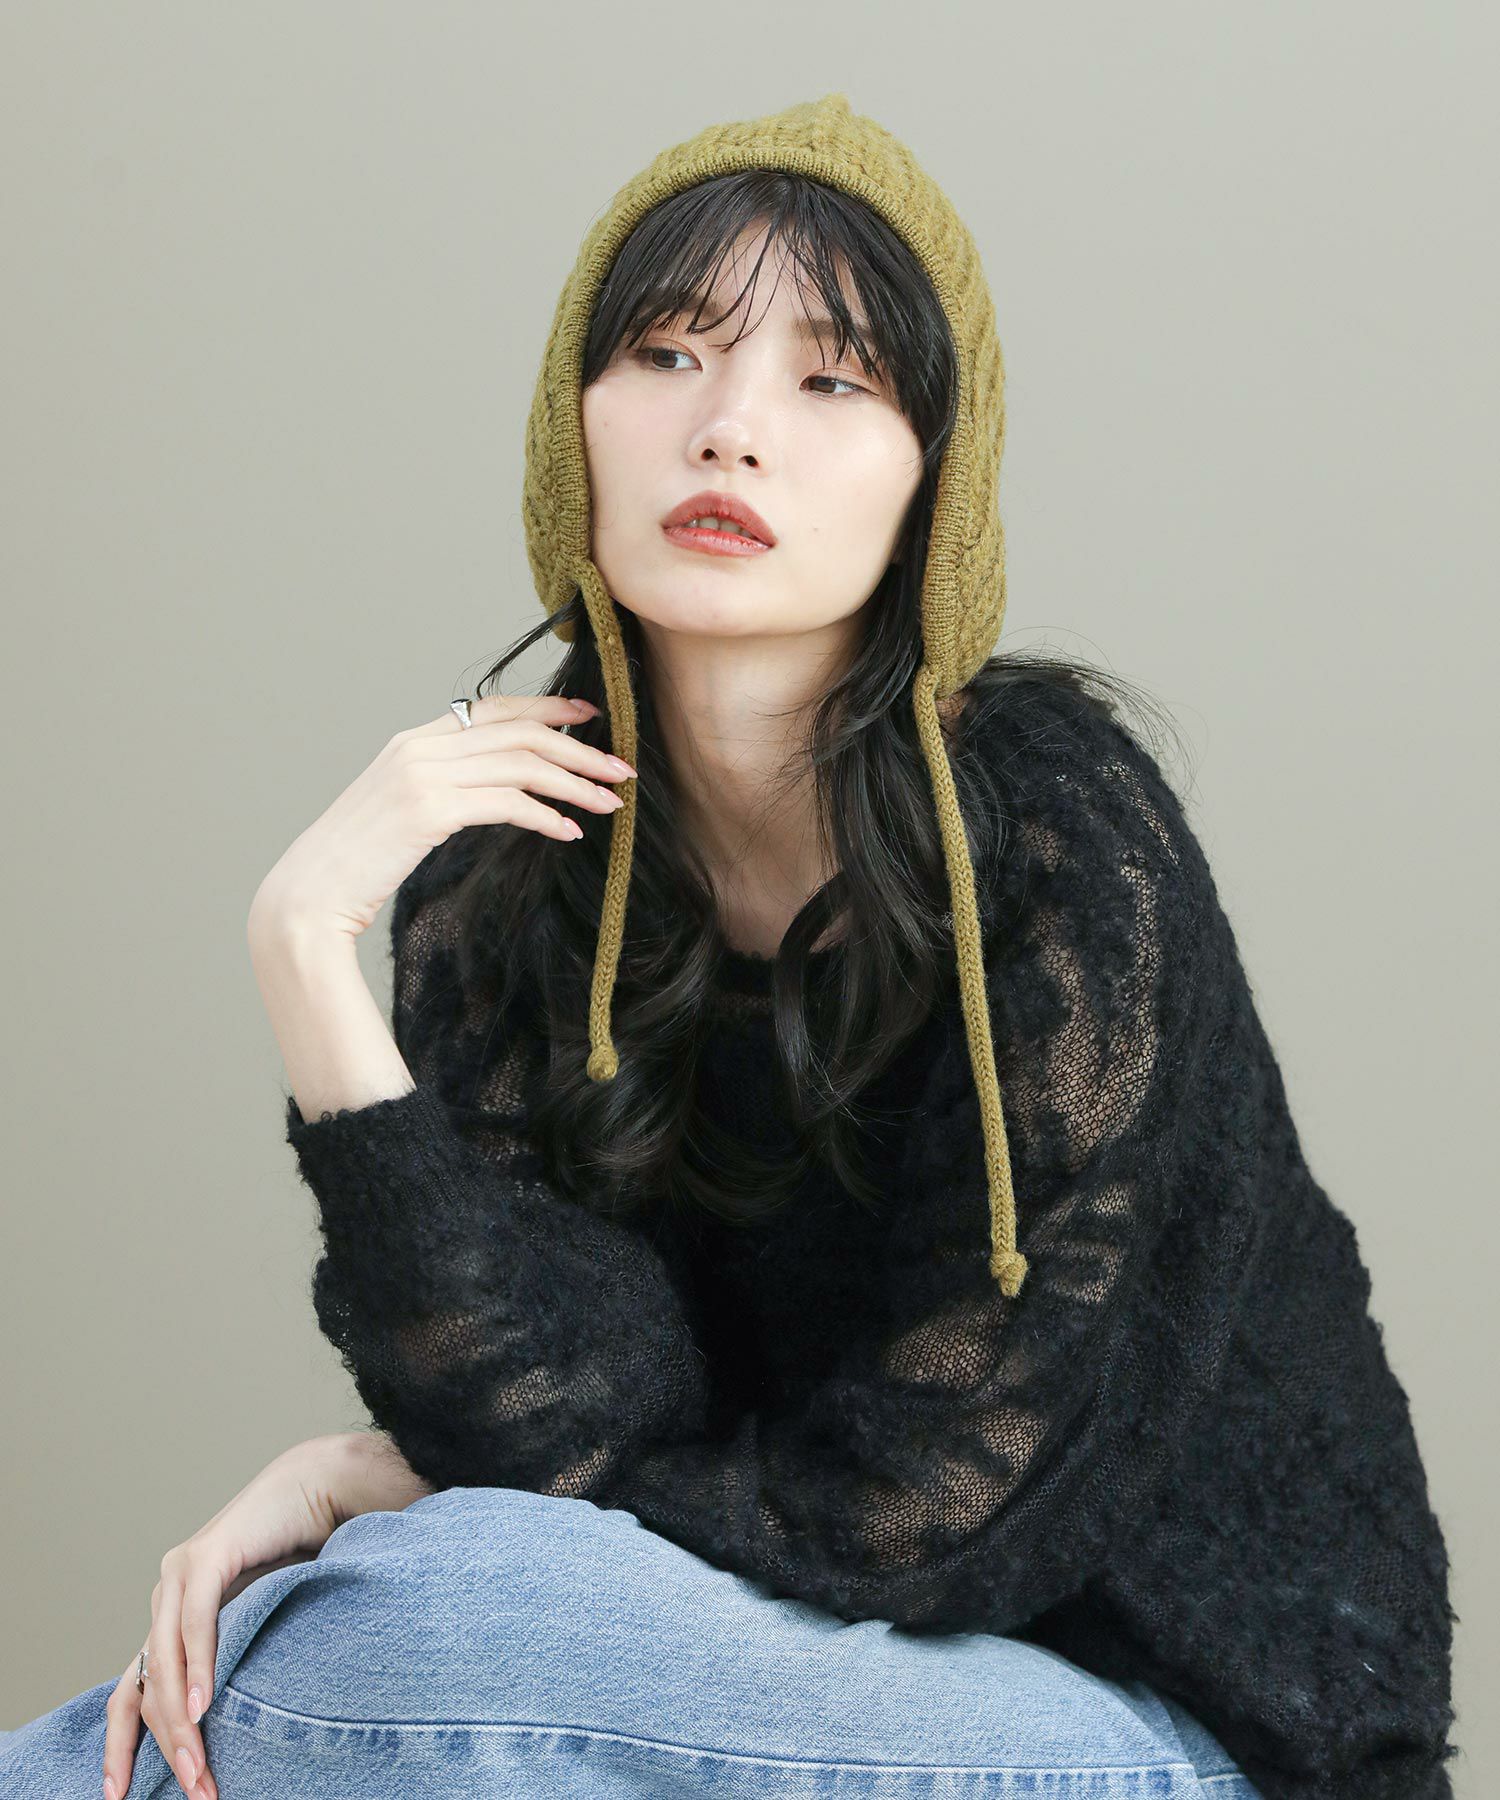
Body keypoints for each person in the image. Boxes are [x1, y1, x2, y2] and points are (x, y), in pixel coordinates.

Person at [1, 93, 1457, 1800]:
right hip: (742, 1679)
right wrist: (304, 953)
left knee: (411, 1608)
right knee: (410, 1607)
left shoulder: (1060, 838)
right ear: (573, 426)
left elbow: (930, 1515)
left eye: (833, 381)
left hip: (1173, 1730)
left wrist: (373, 1491)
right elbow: (559, 1416)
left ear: (934, 483)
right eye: (671, 353)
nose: (732, 433)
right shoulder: (512, 861)